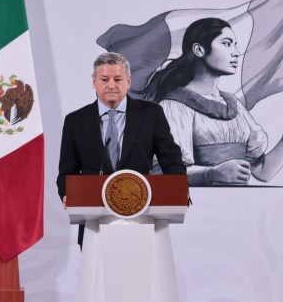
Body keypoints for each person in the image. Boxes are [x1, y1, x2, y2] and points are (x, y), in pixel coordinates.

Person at [57, 52, 186, 246]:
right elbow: (67, 172)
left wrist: (179, 189)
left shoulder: (151, 114)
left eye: (118, 79)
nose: (111, 85)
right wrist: (66, 193)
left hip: (143, 220)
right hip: (95, 225)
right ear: (94, 82)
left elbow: (172, 160)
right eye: (104, 79)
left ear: (128, 81)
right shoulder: (75, 121)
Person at [139, 18, 283, 185]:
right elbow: (164, 174)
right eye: (227, 43)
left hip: (240, 200)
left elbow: (262, 171)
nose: (235, 52)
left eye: (235, 45)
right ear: (199, 50)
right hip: (198, 200)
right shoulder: (174, 106)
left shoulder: (234, 104)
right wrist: (211, 174)